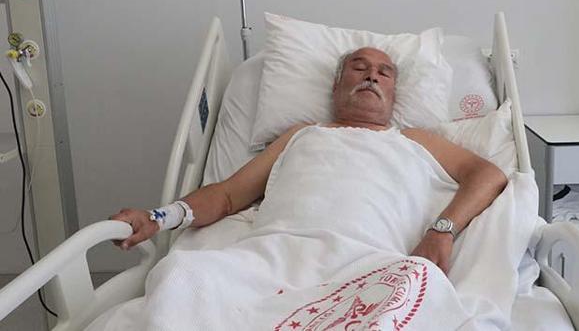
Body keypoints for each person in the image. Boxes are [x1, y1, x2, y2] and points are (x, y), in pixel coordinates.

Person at [110, 47, 507, 274]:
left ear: (394, 93)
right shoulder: (301, 134)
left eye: (384, 73)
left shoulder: (413, 139)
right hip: (276, 259)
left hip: (374, 263)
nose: (372, 76)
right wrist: (159, 218)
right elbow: (228, 196)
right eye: (359, 67)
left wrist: (442, 231)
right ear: (336, 85)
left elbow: (487, 175)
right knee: (180, 281)